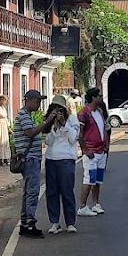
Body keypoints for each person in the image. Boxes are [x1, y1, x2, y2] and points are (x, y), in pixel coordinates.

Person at [13, 88, 53, 237]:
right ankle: (30, 223)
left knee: (28, 191)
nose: (38, 105)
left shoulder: (28, 116)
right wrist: (47, 122)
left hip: (31, 158)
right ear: (28, 101)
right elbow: (30, 133)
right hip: (30, 159)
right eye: (37, 102)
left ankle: (25, 222)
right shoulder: (23, 115)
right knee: (33, 191)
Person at [44, 95, 80, 234]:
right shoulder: (49, 122)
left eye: (60, 109)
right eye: (54, 109)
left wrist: (64, 124)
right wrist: (53, 125)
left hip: (66, 159)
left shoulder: (72, 120)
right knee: (52, 192)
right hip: (51, 159)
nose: (57, 112)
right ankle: (54, 222)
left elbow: (73, 138)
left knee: (67, 191)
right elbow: (48, 142)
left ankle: (70, 222)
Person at [77, 86, 109, 216]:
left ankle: (96, 204)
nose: (101, 98)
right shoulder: (84, 113)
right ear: (94, 98)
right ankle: (83, 206)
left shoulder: (99, 112)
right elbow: (79, 133)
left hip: (101, 151)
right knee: (89, 179)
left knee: (97, 180)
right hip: (91, 152)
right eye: (99, 96)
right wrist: (85, 149)